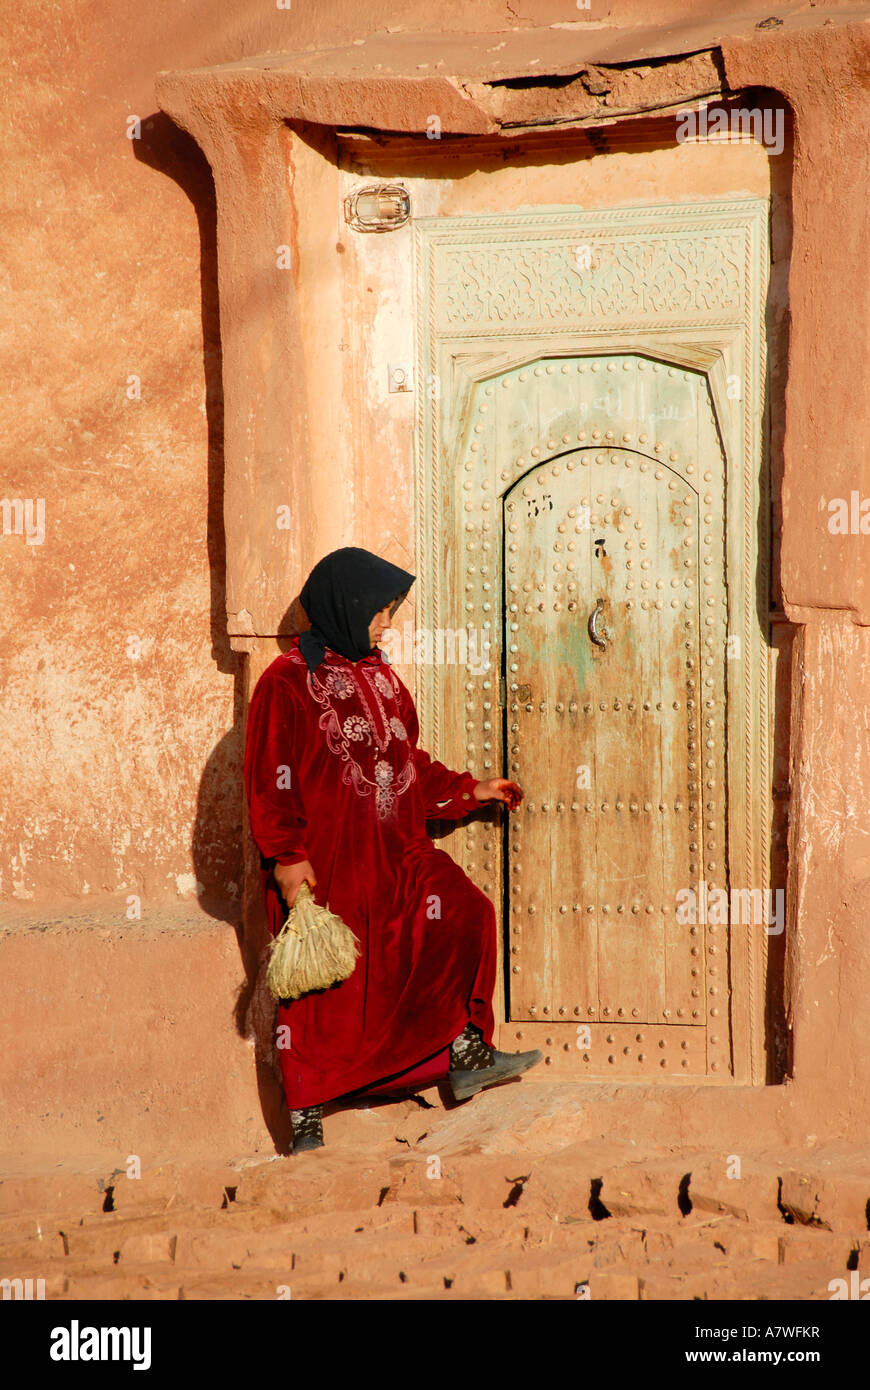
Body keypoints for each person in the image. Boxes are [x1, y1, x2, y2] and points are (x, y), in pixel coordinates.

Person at [243, 547, 542, 1154]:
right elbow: (269, 773)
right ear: (344, 605)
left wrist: (468, 790)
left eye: (390, 611)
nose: (387, 623)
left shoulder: (381, 675)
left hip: (398, 852)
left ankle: (464, 1050)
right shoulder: (286, 681)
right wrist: (285, 855)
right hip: (328, 864)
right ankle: (304, 1115)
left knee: (465, 913)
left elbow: (406, 764)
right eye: (379, 610)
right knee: (320, 992)